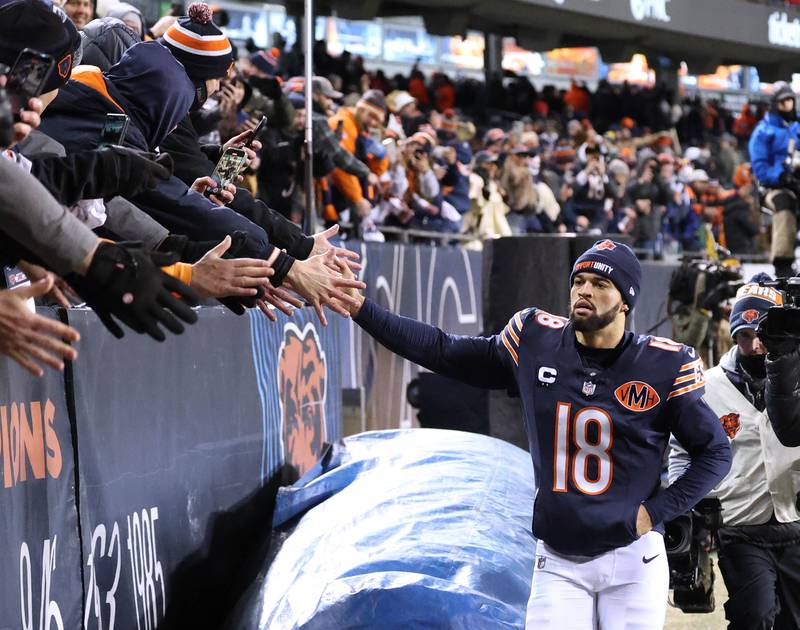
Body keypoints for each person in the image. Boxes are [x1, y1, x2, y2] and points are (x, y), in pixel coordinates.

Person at [334, 239, 732, 629]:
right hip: (558, 558)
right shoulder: (535, 339)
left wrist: (654, 513)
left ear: (626, 300)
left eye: (601, 284)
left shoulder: (664, 363)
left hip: (632, 557)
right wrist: (362, 310)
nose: (584, 291)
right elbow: (443, 350)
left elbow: (715, 452)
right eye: (580, 281)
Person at [670, 276, 800, 629]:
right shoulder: (707, 386)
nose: (756, 345)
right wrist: (694, 502)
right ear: (734, 334)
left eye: (763, 334)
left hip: (794, 521)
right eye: (745, 335)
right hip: (738, 524)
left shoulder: (796, 377)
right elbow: (681, 449)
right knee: (754, 616)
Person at [748, 82, 800, 278]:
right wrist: (782, 176)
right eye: (784, 102)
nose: (789, 105)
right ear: (774, 105)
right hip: (772, 189)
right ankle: (782, 262)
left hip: (796, 183)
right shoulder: (762, 132)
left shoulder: (796, 127)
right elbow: (760, 168)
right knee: (784, 202)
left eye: (791, 101)